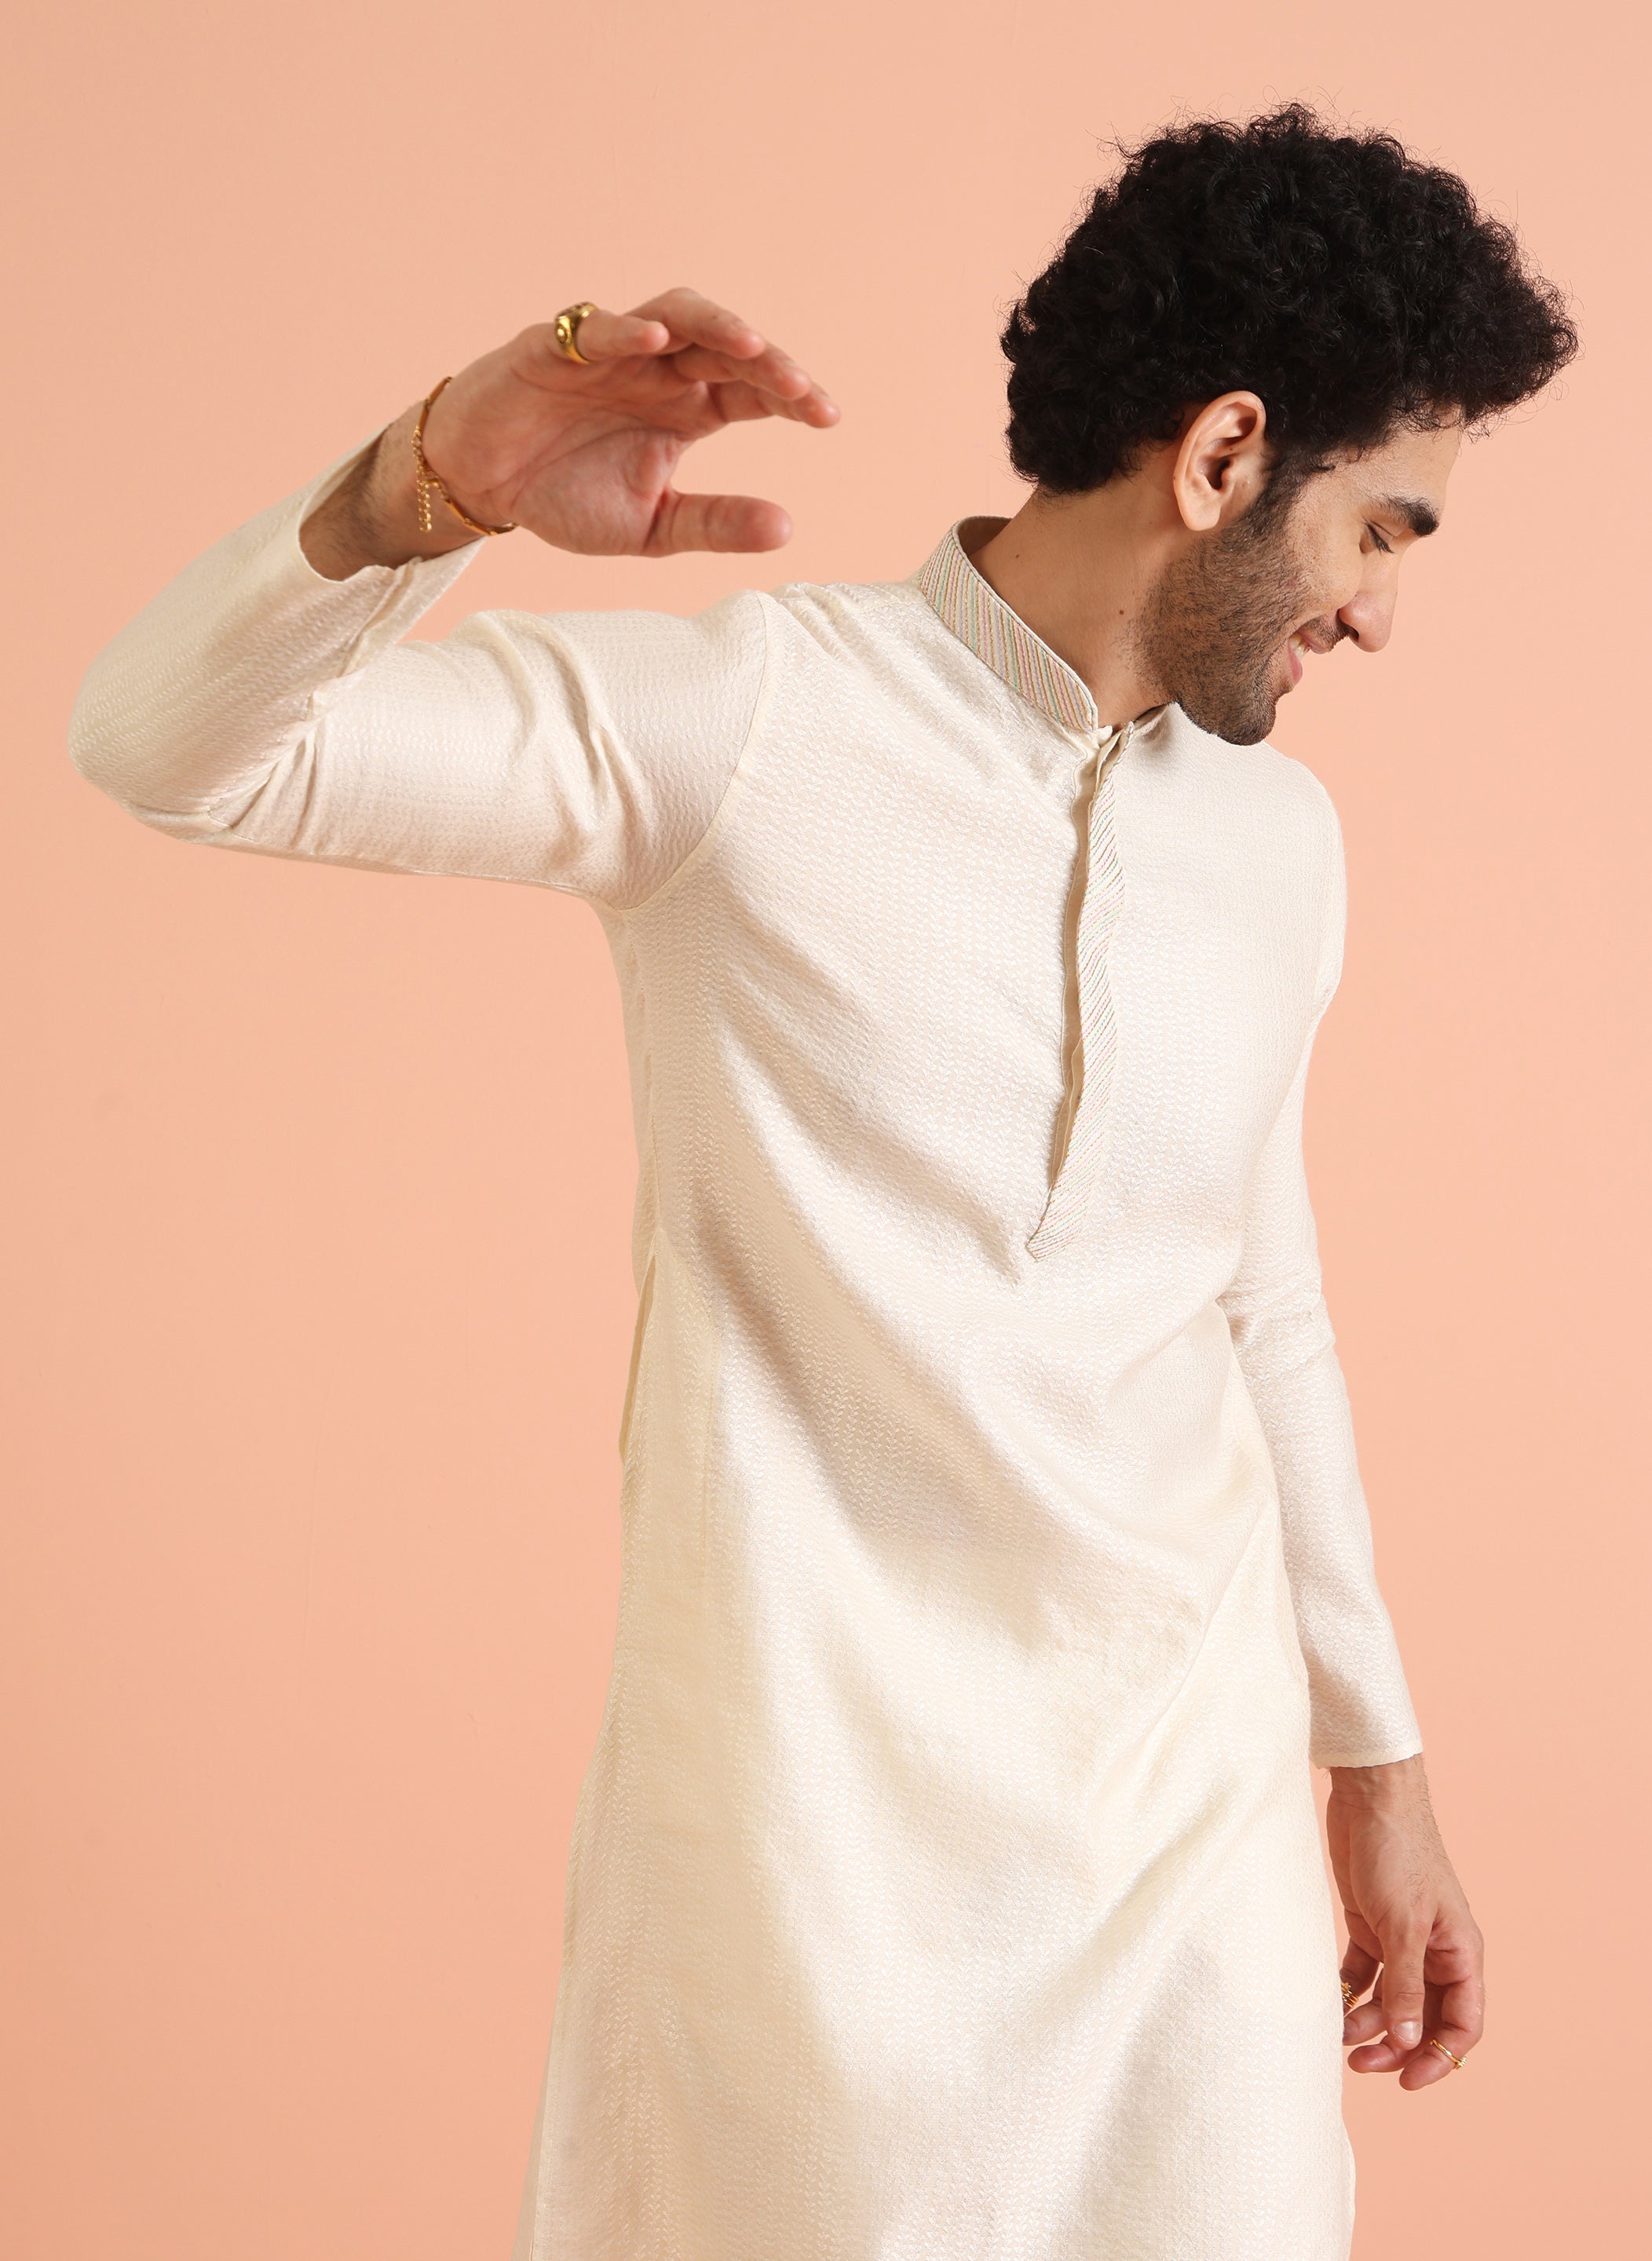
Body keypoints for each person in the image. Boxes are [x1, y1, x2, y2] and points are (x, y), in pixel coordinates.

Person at [70, 104, 1576, 2261]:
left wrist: (1380, 1764)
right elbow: (170, 750)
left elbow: (1259, 1297)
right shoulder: (754, 724)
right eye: (1383, 532)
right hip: (808, 1875)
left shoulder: (1280, 844)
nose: (1381, 616)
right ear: (1228, 456)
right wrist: (422, 496)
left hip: (1194, 1863)